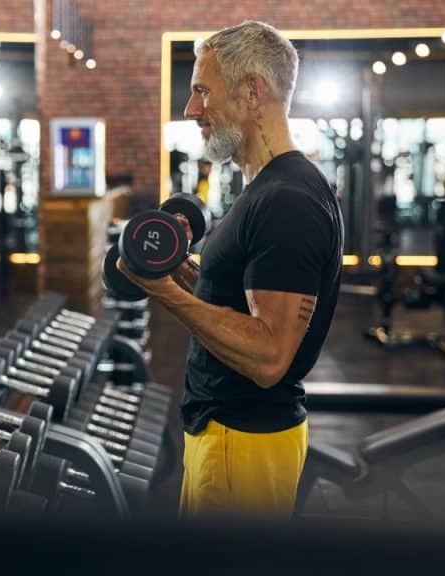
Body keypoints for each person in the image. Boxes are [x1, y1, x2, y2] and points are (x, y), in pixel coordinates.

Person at [118, 20, 344, 518]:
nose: (190, 109)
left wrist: (165, 294)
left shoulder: (287, 201)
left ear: (251, 91)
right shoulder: (265, 187)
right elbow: (234, 300)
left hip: (242, 444)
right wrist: (179, 271)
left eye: (202, 91)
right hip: (225, 437)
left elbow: (268, 356)